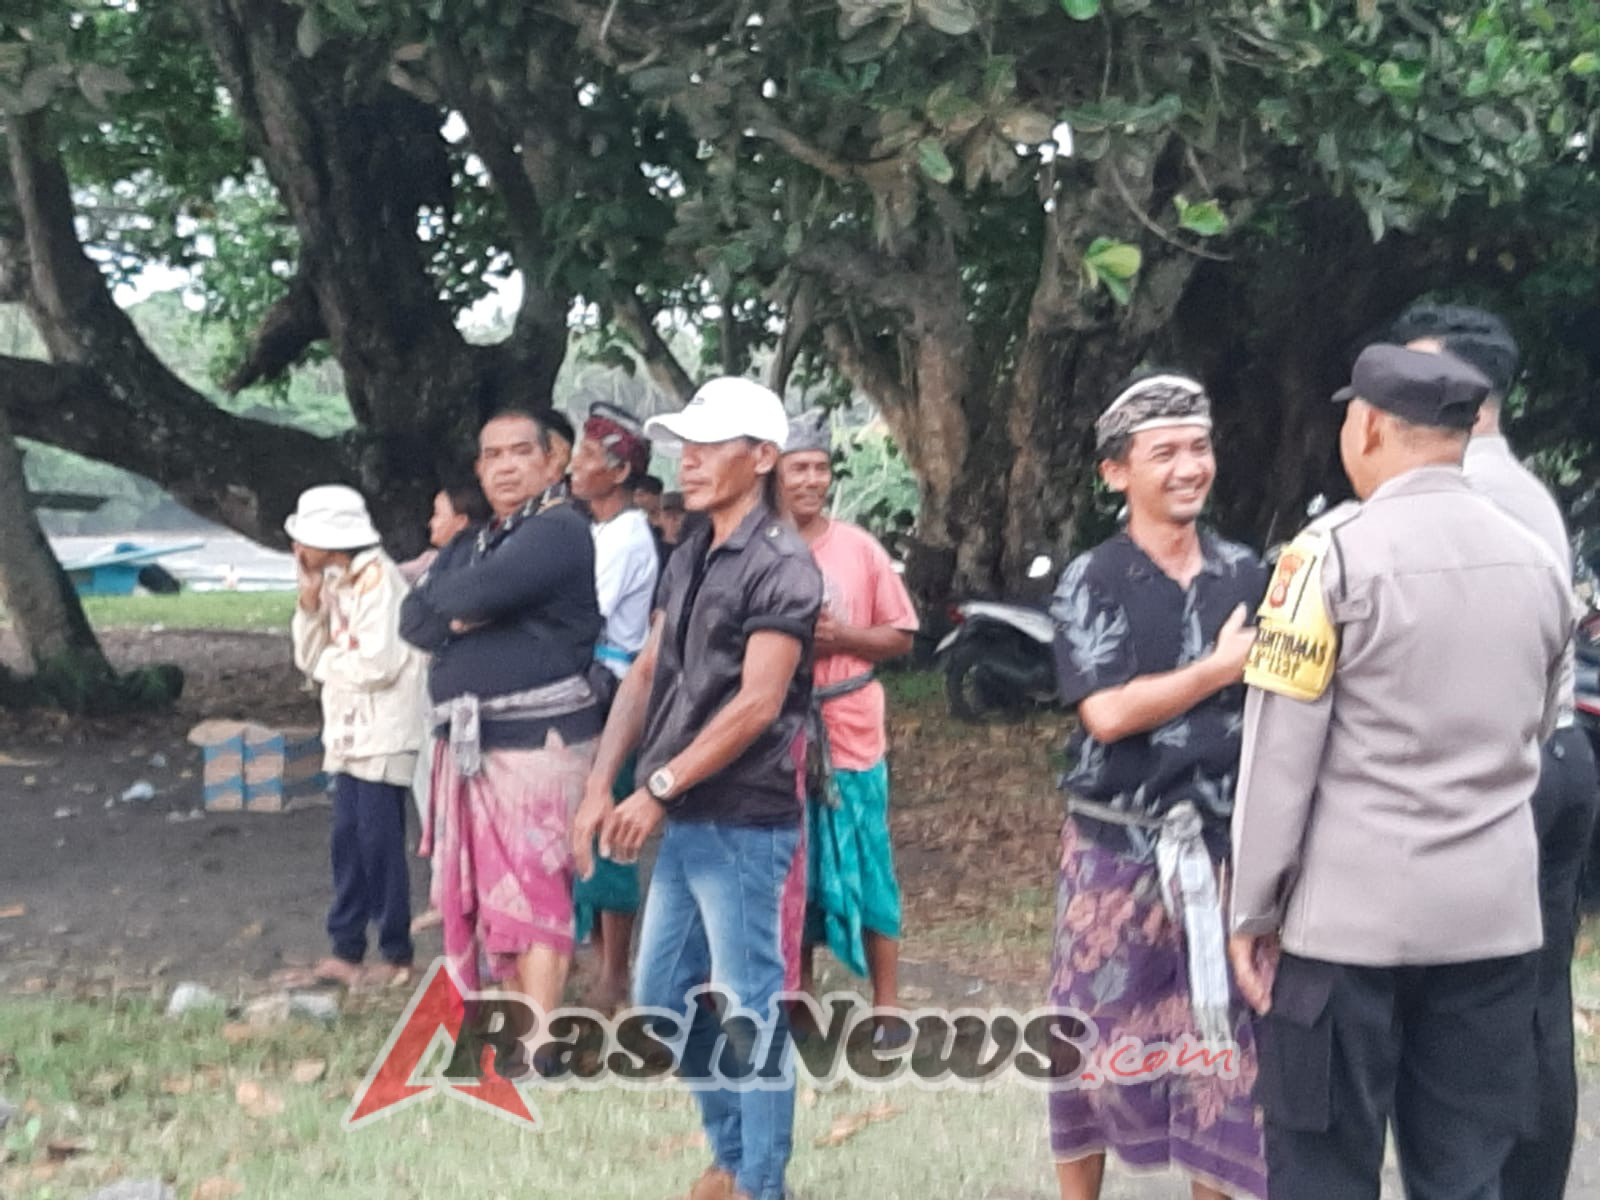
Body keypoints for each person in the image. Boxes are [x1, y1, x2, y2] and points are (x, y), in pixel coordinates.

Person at [1229, 344, 1572, 1200]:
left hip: (1346, 930)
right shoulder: (1539, 562)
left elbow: (1279, 758)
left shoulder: (1328, 557)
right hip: (1493, 926)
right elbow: (1540, 725)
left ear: (1371, 426)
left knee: (1323, 1168)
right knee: (1465, 1171)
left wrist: (1252, 909)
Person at [573, 377, 821, 1200]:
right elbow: (646, 670)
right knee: (660, 998)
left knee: (751, 1007)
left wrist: (659, 786)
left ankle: (760, 1184)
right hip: (686, 814)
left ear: (763, 458)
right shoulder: (690, 549)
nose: (693, 458)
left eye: (712, 445)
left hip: (745, 819)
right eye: (688, 443)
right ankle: (733, 1157)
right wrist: (601, 786)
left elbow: (758, 702)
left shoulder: (783, 565)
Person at [1391, 303, 1599, 1200]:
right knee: (1538, 998)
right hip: (1556, 758)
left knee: (1475, 1013)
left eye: (1419, 379)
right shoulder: (1524, 490)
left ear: (1476, 400)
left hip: (1506, 773)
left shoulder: (1463, 487)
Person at [1047, 372, 1268, 1200]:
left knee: (1222, 1041)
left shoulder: (1250, 573)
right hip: (1115, 848)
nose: (1188, 467)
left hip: (1223, 847)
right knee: (1090, 1038)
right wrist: (1218, 669)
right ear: (1116, 473)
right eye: (1164, 451)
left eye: (1199, 448)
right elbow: (1106, 713)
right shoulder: (1093, 577)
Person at [398, 410, 603, 1024]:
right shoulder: (484, 538)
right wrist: (468, 604)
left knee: (535, 890)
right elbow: (416, 620)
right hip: (477, 743)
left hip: (539, 742)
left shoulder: (559, 528)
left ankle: (538, 1041)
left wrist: (471, 606)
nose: (505, 465)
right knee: (493, 896)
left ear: (551, 461)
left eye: (520, 452)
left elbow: (463, 598)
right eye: (492, 456)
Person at [774, 410, 919, 1026]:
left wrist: (844, 638)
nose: (810, 480)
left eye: (820, 468)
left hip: (849, 724)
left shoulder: (859, 549)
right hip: (778, 730)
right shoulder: (760, 546)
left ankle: (887, 1008)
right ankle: (797, 1001)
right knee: (792, 867)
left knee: (868, 859)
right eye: (797, 468)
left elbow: (902, 635)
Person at [286, 485, 427, 990]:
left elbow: (377, 662)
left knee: (378, 839)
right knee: (347, 837)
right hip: (346, 728)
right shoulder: (336, 580)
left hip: (383, 728)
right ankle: (346, 944)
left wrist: (327, 665)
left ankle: (395, 949)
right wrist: (308, 603)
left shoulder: (379, 582)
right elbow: (308, 654)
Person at [566, 401, 659, 1011]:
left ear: (618, 472)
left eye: (586, 458)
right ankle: (600, 958)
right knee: (587, 826)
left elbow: (583, 610)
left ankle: (616, 973)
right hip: (592, 685)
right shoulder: (599, 531)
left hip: (614, 690)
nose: (574, 467)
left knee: (610, 831)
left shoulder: (626, 538)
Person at [399, 479, 490, 936]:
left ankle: (461, 897)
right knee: (432, 796)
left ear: (463, 520)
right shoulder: (439, 562)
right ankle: (446, 892)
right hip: (435, 691)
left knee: (457, 797)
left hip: (462, 701)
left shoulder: (473, 562)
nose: (430, 522)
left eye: (439, 512)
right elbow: (412, 607)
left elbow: (438, 620)